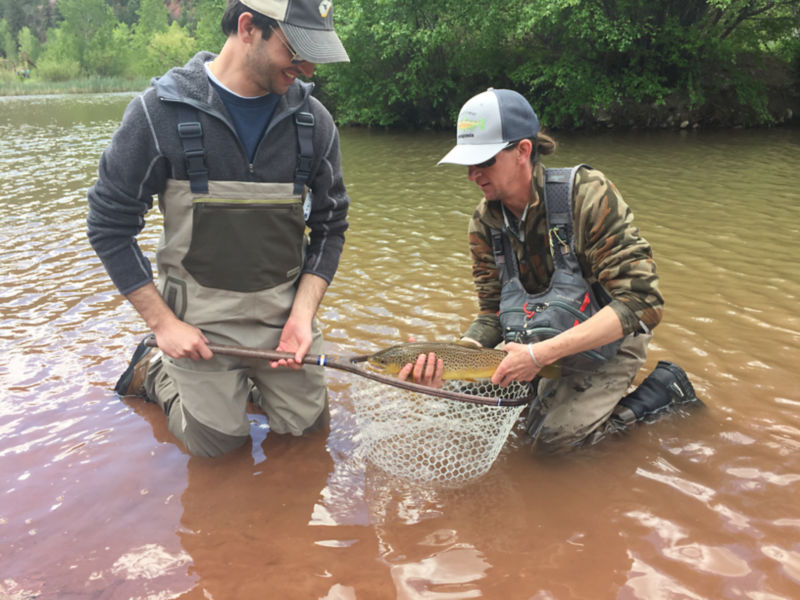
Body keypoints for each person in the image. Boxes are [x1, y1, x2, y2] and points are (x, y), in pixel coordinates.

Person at [87, 0, 351, 457]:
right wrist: (164, 324)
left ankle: (246, 386)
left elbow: (331, 225)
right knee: (219, 450)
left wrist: (302, 316)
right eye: (297, 51)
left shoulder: (316, 124)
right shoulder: (158, 114)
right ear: (249, 28)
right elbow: (109, 225)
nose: (307, 70)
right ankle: (155, 368)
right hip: (198, 325)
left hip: (283, 320)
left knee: (307, 438)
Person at [401, 88, 698, 451]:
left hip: (609, 339)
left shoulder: (587, 194)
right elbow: (492, 315)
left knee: (554, 444)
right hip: (533, 340)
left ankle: (663, 391)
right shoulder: (483, 224)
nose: (472, 175)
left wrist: (540, 356)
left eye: (484, 161)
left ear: (523, 150)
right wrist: (454, 357)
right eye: (468, 164)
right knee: (465, 407)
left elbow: (642, 302)